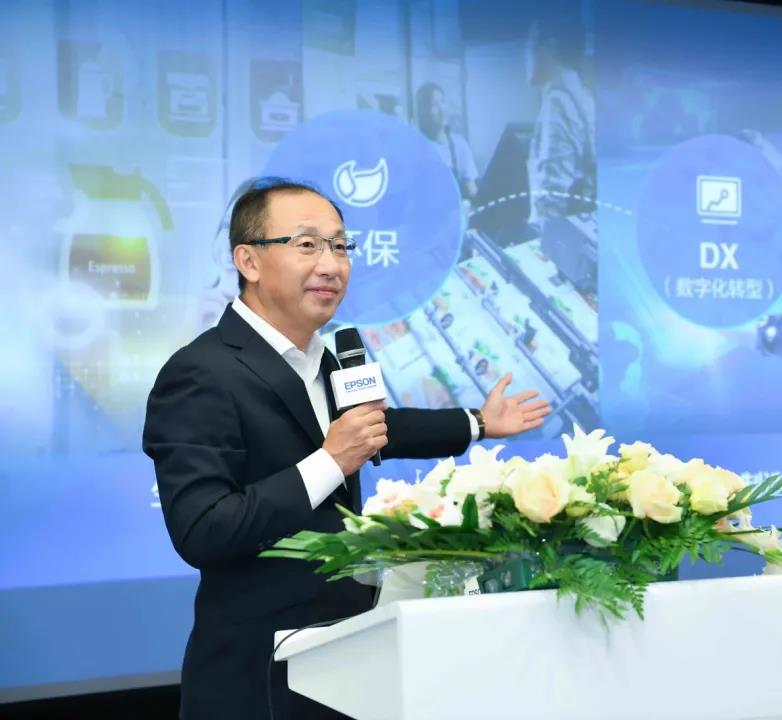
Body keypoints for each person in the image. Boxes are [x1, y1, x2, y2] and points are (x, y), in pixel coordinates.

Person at [142, 178, 550, 719]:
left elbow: (373, 429)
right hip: (258, 678)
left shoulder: (325, 358)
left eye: (340, 246)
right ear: (249, 261)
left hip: (344, 659)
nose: (332, 265)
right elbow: (203, 529)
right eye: (307, 245)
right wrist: (330, 462)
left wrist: (476, 422)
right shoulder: (201, 372)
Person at [524, 14, 596, 226]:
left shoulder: (558, 104)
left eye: (530, 43)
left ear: (550, 46)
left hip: (560, 234)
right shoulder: (583, 96)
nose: (526, 54)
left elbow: (553, 196)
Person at [415, 81, 479, 201]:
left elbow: (472, 191)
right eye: (434, 105)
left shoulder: (459, 145)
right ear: (423, 111)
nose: (442, 109)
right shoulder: (414, 148)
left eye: (443, 102)